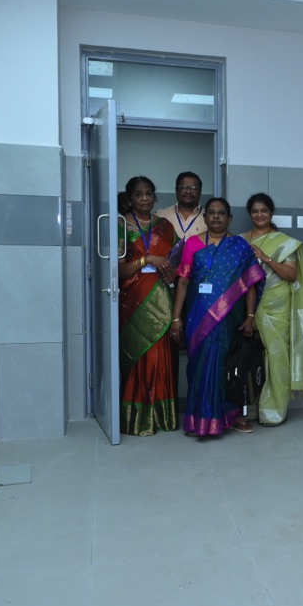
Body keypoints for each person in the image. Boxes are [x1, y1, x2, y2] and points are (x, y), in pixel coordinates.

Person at [169, 197, 265, 437]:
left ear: (229, 218)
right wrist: (176, 318)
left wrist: (250, 316)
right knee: (199, 368)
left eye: (221, 213)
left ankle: (231, 417)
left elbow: (250, 284)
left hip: (230, 320)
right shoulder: (192, 243)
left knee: (228, 368)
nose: (215, 216)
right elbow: (183, 282)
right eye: (211, 212)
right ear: (204, 217)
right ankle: (198, 419)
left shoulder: (240, 246)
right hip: (198, 319)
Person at [243, 193, 303, 426]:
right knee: (247, 357)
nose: (259, 215)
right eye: (255, 211)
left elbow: (291, 275)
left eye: (264, 210)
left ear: (271, 213)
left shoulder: (285, 242)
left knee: (277, 357)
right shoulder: (241, 240)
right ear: (249, 214)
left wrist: (266, 258)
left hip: (277, 307)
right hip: (247, 306)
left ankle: (273, 410)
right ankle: (248, 409)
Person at [117, 176, 179, 435]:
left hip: (163, 299)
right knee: (139, 354)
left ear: (155, 196)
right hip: (133, 301)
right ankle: (137, 419)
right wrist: (146, 260)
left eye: (148, 193)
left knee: (161, 356)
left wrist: (172, 273)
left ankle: (162, 417)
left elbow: (176, 262)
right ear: (129, 198)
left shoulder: (165, 226)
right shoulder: (120, 225)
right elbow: (118, 271)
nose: (144, 198)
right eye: (138, 194)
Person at [155, 171, 207, 240]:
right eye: (183, 187)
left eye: (193, 188)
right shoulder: (161, 215)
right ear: (176, 190)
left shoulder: (209, 218)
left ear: (200, 192)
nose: (188, 191)